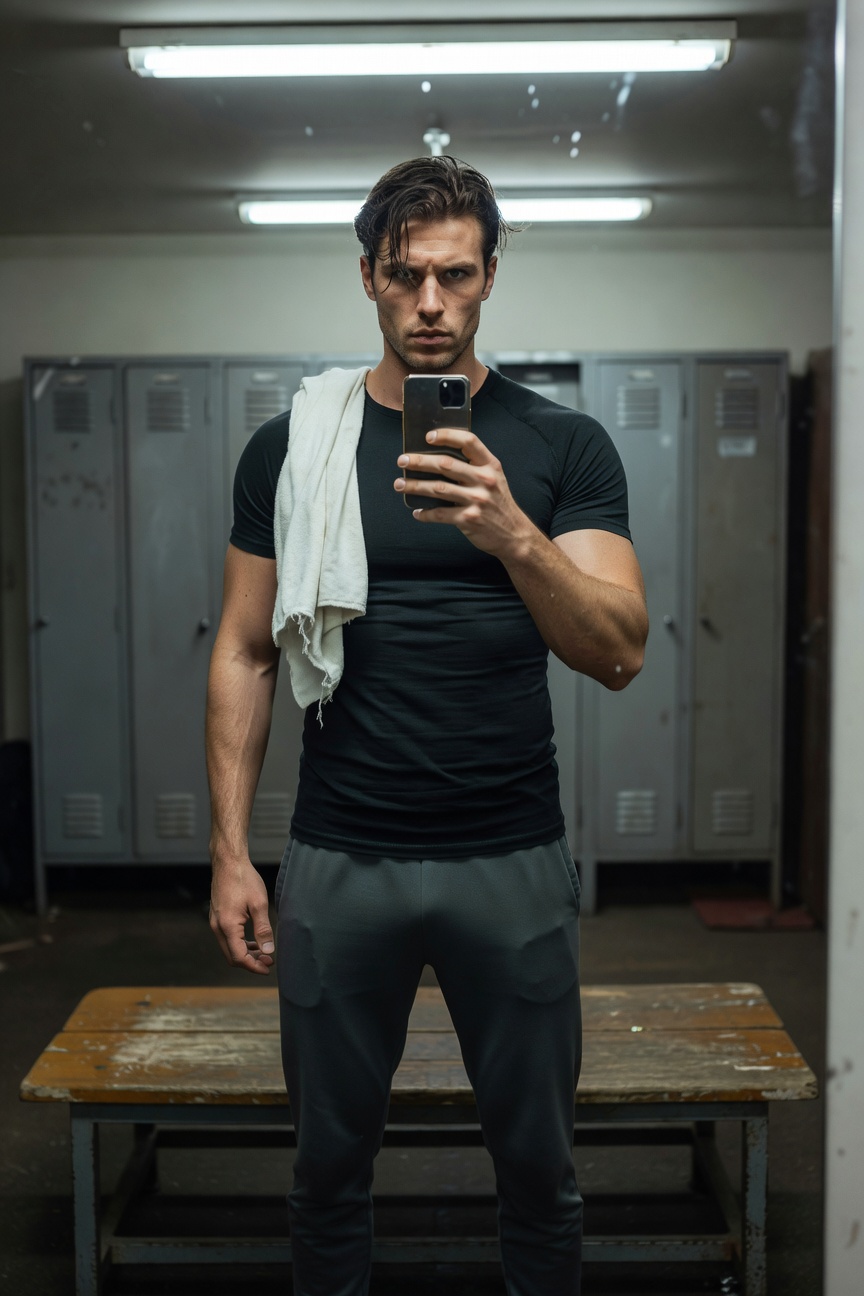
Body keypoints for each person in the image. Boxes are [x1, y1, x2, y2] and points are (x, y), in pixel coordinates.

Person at [206, 155, 648, 1296]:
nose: (432, 304)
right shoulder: (292, 448)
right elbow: (247, 648)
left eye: (456, 275)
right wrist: (231, 852)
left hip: (511, 855)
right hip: (340, 856)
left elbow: (618, 651)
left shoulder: (560, 446)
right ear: (368, 277)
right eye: (406, 277)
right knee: (326, 1170)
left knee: (540, 1172)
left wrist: (512, 533)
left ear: (491, 275)